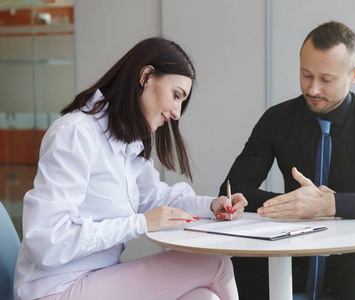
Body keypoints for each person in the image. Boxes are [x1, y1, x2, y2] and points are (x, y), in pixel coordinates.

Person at [14, 37, 247, 300]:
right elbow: (46, 241)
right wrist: (140, 223)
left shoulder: (128, 144)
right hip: (54, 289)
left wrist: (211, 206)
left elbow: (156, 199)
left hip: (97, 280)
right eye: (176, 95)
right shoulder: (75, 133)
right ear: (146, 76)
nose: (177, 113)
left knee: (205, 298)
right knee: (216, 264)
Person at [219, 21, 355, 300]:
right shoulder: (276, 120)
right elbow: (232, 189)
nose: (313, 89)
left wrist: (330, 204)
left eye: (326, 80)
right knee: (226, 285)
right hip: (288, 247)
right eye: (305, 75)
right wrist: (297, 206)